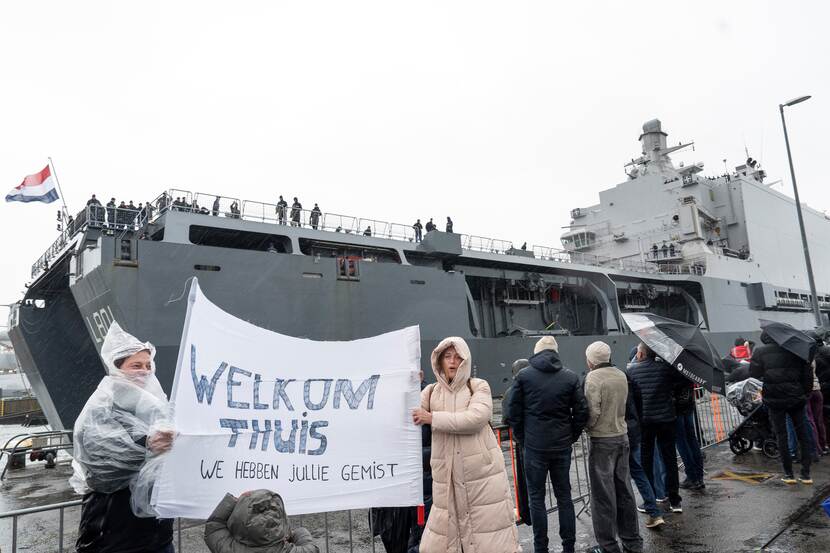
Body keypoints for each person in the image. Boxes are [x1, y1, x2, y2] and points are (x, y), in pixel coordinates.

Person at [71, 322, 176, 553]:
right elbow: (100, 472)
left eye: (149, 365)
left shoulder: (157, 408)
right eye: (136, 365)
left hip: (158, 535)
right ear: (118, 369)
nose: (145, 371)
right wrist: (148, 446)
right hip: (114, 537)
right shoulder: (99, 409)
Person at [412, 337, 520, 553]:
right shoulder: (431, 392)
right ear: (439, 360)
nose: (453, 362)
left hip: (481, 478)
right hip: (447, 479)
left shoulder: (478, 386)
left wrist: (432, 418)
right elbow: (408, 413)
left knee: (488, 539)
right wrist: (410, 384)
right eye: (447, 356)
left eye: (458, 357)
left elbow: (476, 418)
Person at [507, 336, 588, 553]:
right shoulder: (570, 377)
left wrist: (524, 438)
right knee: (564, 496)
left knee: (536, 498)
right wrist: (571, 435)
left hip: (534, 447)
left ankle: (540, 547)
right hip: (561, 446)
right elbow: (581, 412)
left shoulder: (524, 376)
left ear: (537, 352)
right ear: (555, 352)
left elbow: (511, 413)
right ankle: (568, 546)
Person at [583, 341, 643, 553]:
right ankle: (632, 541)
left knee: (603, 494)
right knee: (625, 491)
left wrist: (587, 428)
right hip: (622, 436)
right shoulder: (620, 374)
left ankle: (608, 545)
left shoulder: (593, 378)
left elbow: (593, 411)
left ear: (591, 360)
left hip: (602, 440)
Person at [749, 328, 814, 484]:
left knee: (781, 435)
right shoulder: (796, 350)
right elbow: (807, 375)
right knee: (803, 434)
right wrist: (804, 394)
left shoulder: (760, 351)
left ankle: (789, 474)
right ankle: (806, 474)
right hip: (796, 398)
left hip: (774, 399)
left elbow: (754, 373)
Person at [627, 343, 684, 513]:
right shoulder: (666, 369)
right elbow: (678, 382)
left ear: (641, 354)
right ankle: (675, 501)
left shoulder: (631, 371)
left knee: (646, 460)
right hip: (666, 419)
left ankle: (650, 500)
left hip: (645, 421)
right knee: (670, 459)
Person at [621, 362, 665, 529]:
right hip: (633, 431)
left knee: (614, 479)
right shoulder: (626, 377)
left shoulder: (594, 379)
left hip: (612, 436)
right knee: (638, 472)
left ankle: (627, 525)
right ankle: (654, 511)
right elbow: (639, 402)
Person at [204, 490, 319, 553]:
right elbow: (312, 548)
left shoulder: (229, 548)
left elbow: (214, 527)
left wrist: (234, 501)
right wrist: (294, 532)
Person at [501, 358, 531, 525]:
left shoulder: (510, 392)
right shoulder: (537, 388)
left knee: (525, 482)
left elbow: (506, 419)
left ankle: (526, 514)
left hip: (522, 442)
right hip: (541, 440)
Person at [675, 381, 705, 490]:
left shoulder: (672, 368)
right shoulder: (688, 367)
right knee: (691, 440)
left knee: (682, 442)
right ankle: (699, 477)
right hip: (688, 404)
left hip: (677, 407)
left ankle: (692, 478)